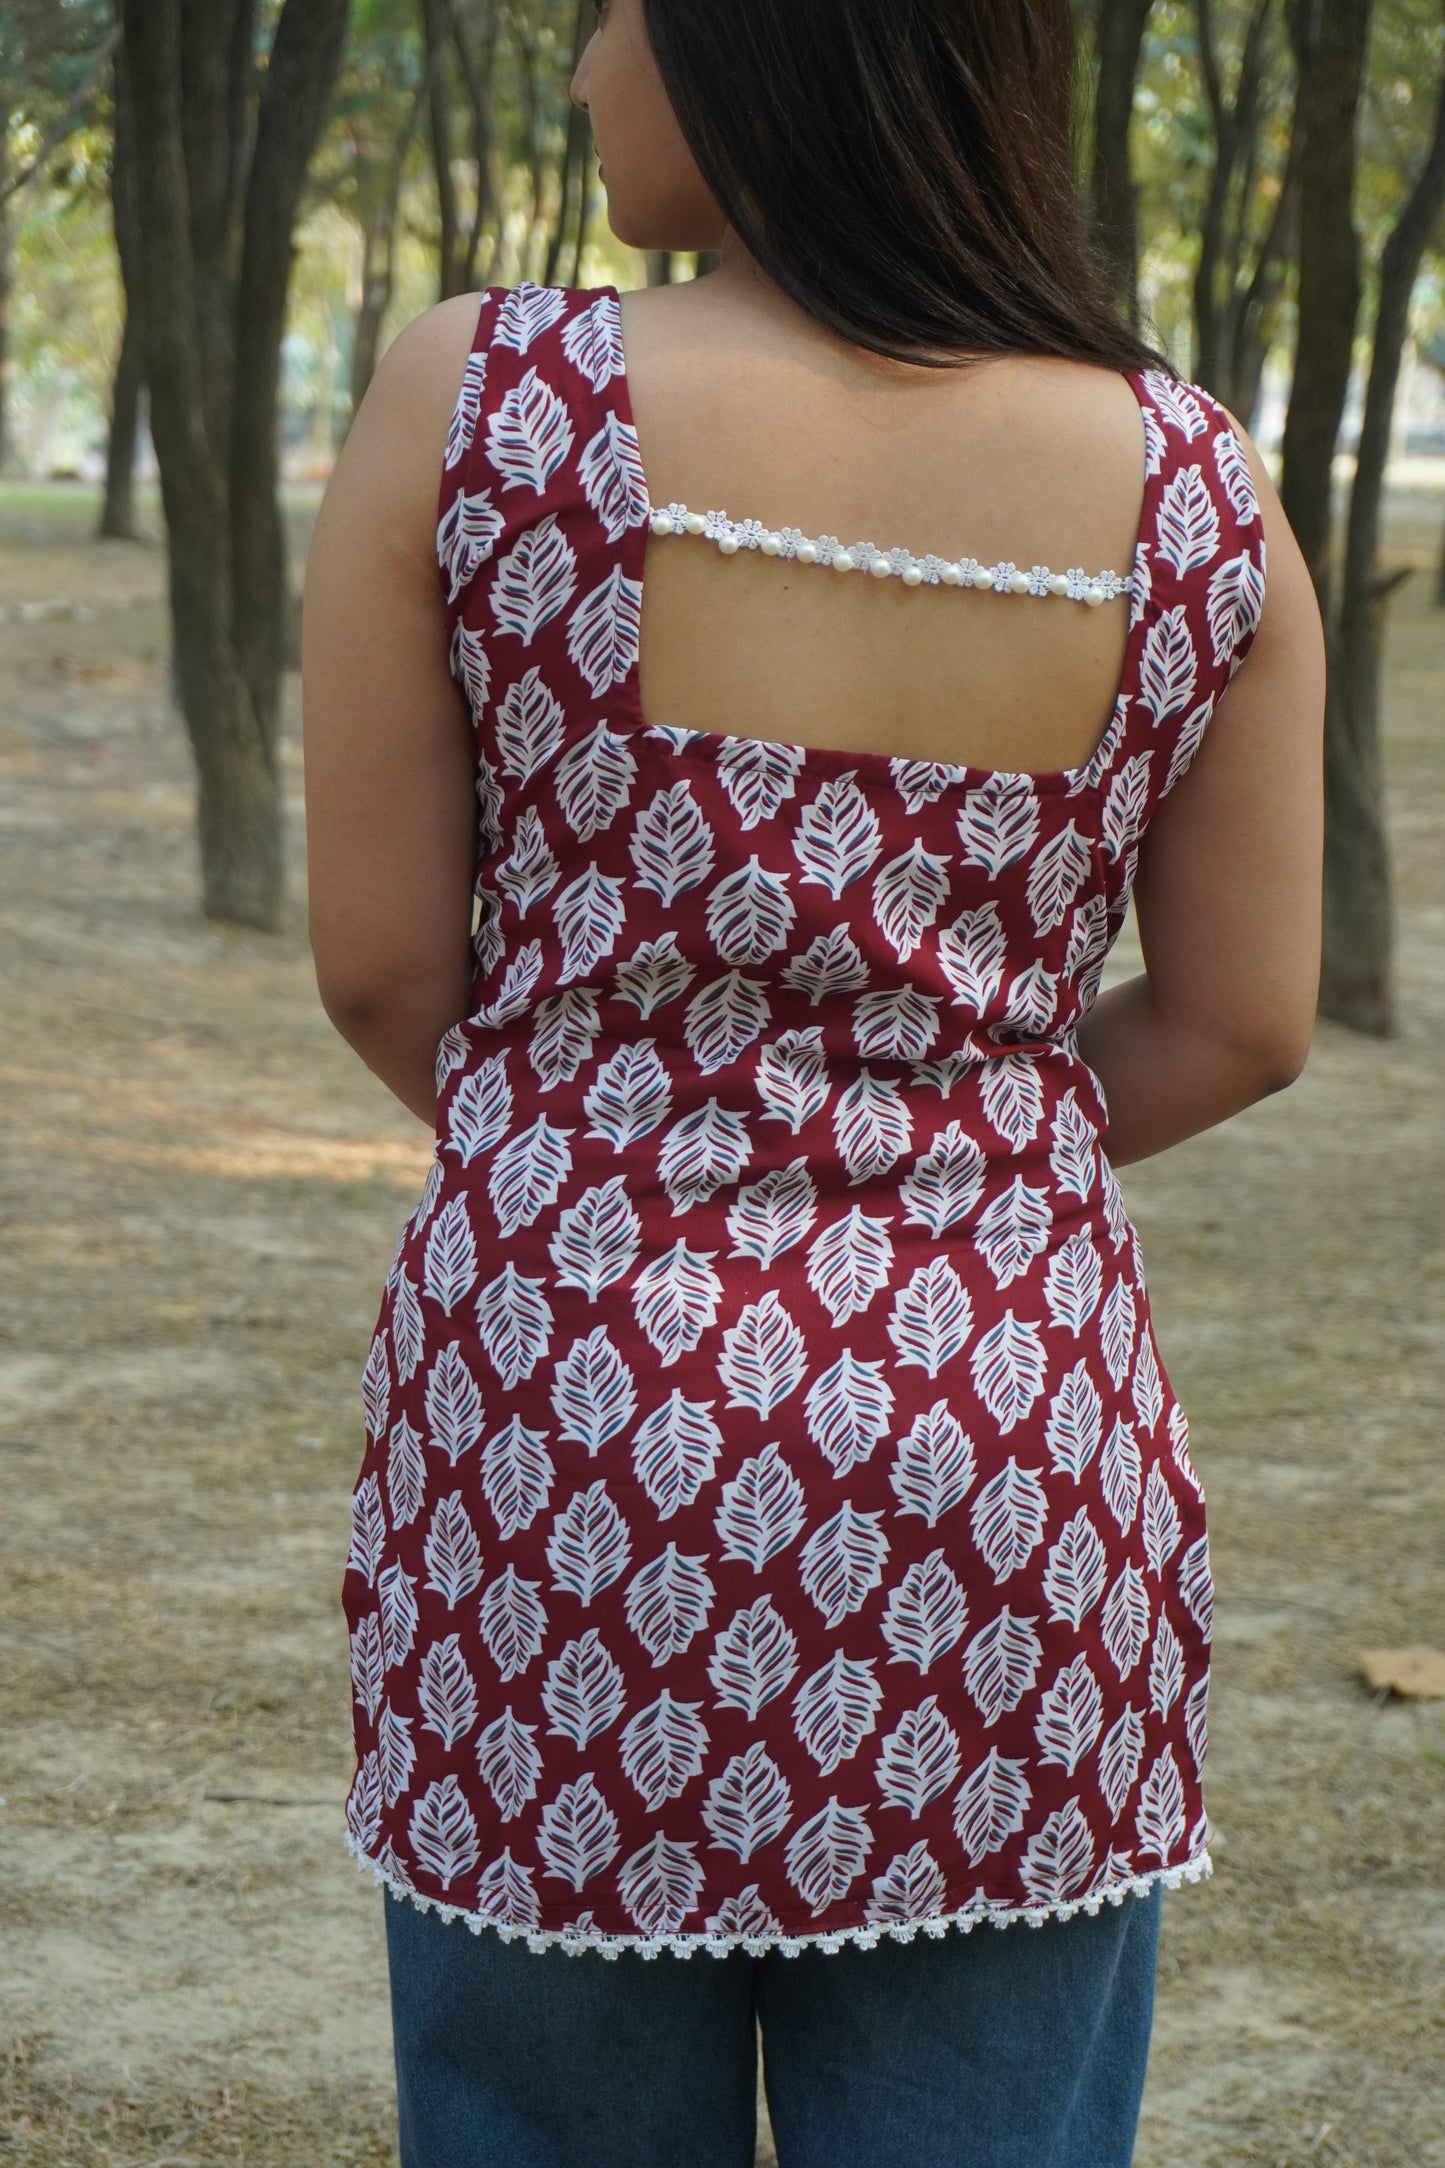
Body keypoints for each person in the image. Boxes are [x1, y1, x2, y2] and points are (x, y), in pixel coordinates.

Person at [301, 1, 1324, 2161]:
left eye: (610, 9)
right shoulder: (1195, 483)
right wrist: (938, 1148)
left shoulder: (478, 401)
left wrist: (617, 1143)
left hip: (567, 1456)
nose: (583, 62)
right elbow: (1244, 1017)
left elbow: (388, 962)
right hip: (1006, 1474)